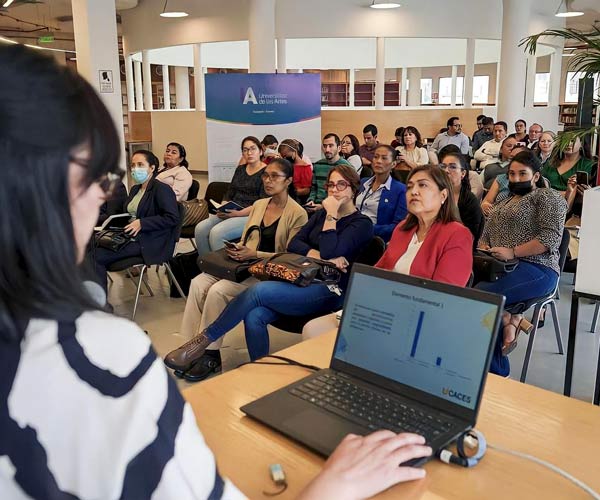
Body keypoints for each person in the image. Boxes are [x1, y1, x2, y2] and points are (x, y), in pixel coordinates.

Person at [0, 45, 432, 499]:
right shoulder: (98, 352)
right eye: (101, 181)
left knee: (250, 296)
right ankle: (206, 350)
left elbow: (317, 250)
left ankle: (202, 345)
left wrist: (322, 229)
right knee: (213, 281)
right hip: (276, 269)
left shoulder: (356, 221)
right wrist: (335, 486)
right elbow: (298, 247)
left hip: (316, 286)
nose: (99, 200)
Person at [164, 164, 374, 366]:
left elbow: (332, 250)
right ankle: (259, 368)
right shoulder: (319, 215)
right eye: (331, 185)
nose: (334, 190)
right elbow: (295, 244)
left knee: (259, 291)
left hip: (329, 289)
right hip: (301, 277)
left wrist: (331, 215)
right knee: (254, 315)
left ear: (354, 189)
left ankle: (203, 340)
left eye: (341, 185)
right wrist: (321, 257)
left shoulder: (361, 223)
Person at [303, 164, 473, 340]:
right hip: (384, 309)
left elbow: (442, 299)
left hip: (419, 320)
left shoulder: (457, 235)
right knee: (312, 328)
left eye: (423, 185)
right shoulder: (403, 229)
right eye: (410, 186)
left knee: (325, 335)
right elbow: (378, 272)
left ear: (443, 195)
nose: (414, 191)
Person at [175, 159, 308, 382]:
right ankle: (189, 347)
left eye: (275, 176)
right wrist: (240, 249)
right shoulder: (258, 205)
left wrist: (253, 254)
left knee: (219, 290)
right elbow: (248, 239)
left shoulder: (298, 214)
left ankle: (210, 353)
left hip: (270, 275)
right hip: (244, 267)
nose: (268, 180)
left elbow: (290, 258)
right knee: (198, 282)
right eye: (266, 175)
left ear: (289, 181)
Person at [476, 150, 567, 376]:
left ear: (535, 176)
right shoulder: (503, 201)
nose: (516, 179)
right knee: (461, 290)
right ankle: (509, 318)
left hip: (538, 267)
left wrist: (513, 251)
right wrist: (485, 247)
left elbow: (551, 238)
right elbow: (486, 234)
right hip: (499, 266)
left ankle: (498, 372)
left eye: (522, 174)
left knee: (481, 299)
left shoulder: (547, 197)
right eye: (512, 174)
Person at [94, 149, 180, 292]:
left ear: (152, 168)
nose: (135, 169)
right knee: (89, 249)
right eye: (133, 165)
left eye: (140, 165)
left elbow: (172, 218)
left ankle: (100, 306)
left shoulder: (161, 189)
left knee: (96, 257)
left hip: (150, 240)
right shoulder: (135, 189)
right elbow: (126, 214)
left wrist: (142, 223)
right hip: (130, 236)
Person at [195, 136, 267, 256]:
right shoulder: (240, 169)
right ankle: (208, 265)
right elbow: (230, 192)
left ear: (260, 151)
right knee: (200, 229)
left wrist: (238, 213)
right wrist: (223, 206)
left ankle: (224, 270)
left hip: (251, 214)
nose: (249, 153)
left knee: (217, 233)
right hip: (232, 211)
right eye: (245, 150)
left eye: (253, 149)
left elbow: (262, 202)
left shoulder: (266, 172)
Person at [356, 145, 407, 242]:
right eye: (376, 157)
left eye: (384, 158)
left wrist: (369, 228)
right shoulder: (363, 182)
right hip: (353, 232)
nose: (378, 161)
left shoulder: (401, 190)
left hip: (376, 239)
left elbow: (398, 226)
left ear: (393, 164)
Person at [438, 151, 484, 246]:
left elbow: (471, 236)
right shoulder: (432, 195)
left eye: (452, 167)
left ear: (463, 173)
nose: (446, 170)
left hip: (458, 246)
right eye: (443, 166)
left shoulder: (469, 200)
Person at [305, 133, 351, 210]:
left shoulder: (346, 167)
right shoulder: (318, 165)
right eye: (325, 146)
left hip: (336, 208)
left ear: (339, 148)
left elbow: (346, 196)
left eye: (331, 146)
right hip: (316, 206)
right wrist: (311, 200)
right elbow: (314, 188)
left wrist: (323, 207)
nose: (327, 150)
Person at [480, 143, 528, 216]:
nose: (513, 161)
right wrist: (486, 206)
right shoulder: (501, 178)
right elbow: (486, 201)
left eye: (517, 158)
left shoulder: (534, 180)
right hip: (497, 216)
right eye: (511, 158)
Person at [277, 138, 312, 203]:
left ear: (294, 151)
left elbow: (307, 190)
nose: (284, 158)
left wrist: (293, 192)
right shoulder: (284, 166)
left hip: (297, 199)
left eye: (285, 155)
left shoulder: (305, 167)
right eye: (282, 156)